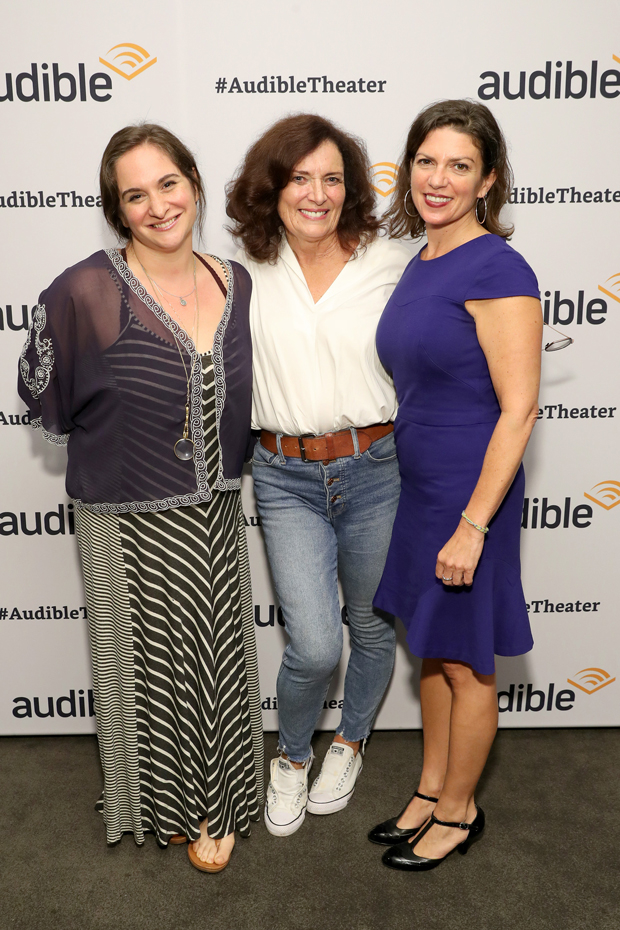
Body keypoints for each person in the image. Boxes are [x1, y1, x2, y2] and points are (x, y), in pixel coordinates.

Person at [18, 123, 263, 873]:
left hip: (215, 510)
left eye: (168, 184)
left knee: (216, 656)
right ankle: (163, 802)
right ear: (117, 210)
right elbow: (44, 399)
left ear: (192, 182)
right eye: (135, 194)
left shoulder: (235, 280)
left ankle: (222, 795)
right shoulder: (82, 290)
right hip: (122, 518)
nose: (158, 205)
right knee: (149, 666)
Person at [369, 100, 542, 871]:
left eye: (459, 166)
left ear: (488, 181)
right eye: (427, 161)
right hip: (421, 485)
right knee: (431, 650)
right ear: (409, 169)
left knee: (468, 661)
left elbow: (520, 407)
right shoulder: (423, 259)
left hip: (475, 492)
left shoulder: (498, 267)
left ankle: (461, 812)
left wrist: (474, 522)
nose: (438, 179)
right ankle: (433, 785)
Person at [226, 114, 410, 837]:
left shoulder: (392, 262)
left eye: (332, 178)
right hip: (284, 475)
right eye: (300, 177)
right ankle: (293, 758)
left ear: (351, 188)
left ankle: (352, 741)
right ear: (273, 187)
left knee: (369, 626)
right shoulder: (239, 272)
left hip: (377, 470)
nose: (317, 193)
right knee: (312, 644)